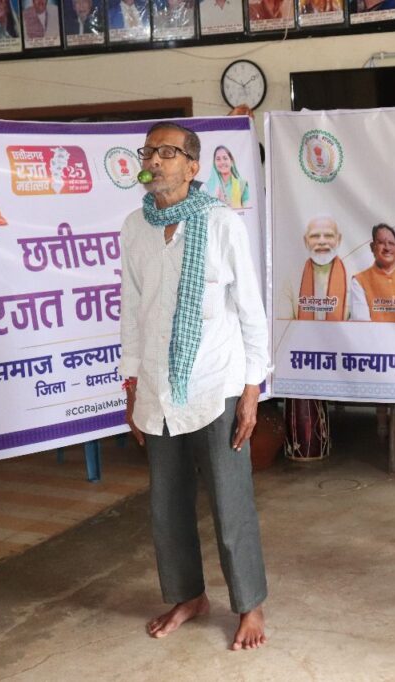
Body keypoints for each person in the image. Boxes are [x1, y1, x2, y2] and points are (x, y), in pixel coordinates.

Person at [120, 122, 270, 649]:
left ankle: (250, 604)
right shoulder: (135, 227)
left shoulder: (222, 223)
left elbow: (250, 310)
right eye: (149, 152)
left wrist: (252, 388)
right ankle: (188, 596)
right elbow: (132, 309)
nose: (154, 161)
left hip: (215, 384)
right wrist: (131, 382)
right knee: (167, 503)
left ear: (192, 166)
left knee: (230, 502)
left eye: (167, 152)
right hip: (158, 386)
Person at [283, 216, 348, 320]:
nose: (322, 241)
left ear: (338, 239)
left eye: (328, 235)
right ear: (306, 241)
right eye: (315, 236)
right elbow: (283, 324)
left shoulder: (353, 278)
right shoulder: (292, 279)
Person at [350, 223, 395, 322]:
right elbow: (361, 322)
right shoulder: (359, 281)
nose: (387, 248)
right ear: (372, 247)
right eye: (381, 242)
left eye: (391, 243)